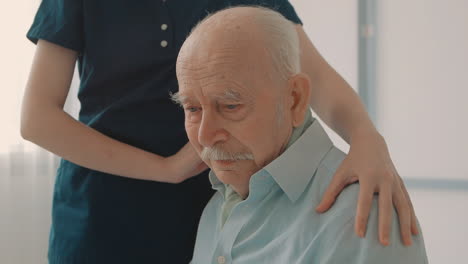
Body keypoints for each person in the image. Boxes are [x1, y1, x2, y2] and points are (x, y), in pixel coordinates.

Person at [21, 0, 418, 263]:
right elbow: (37, 118)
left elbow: (309, 75)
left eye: (228, 106)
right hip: (102, 210)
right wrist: (166, 168)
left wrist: (367, 139)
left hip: (206, 202)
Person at [174, 7, 428, 263]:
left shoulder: (363, 216)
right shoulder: (215, 209)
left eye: (230, 106)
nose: (206, 136)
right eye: (192, 108)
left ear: (294, 99)